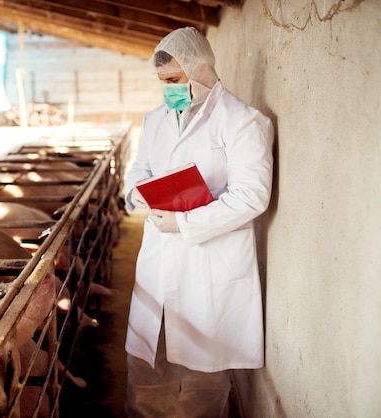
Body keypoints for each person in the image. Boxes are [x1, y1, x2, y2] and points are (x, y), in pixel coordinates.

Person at [123, 27, 274, 418]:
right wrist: (138, 192)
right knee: (147, 367)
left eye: (174, 80)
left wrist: (184, 223)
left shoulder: (242, 122)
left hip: (208, 264)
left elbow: (252, 195)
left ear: (200, 68)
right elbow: (140, 169)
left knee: (202, 383)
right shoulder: (155, 120)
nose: (168, 91)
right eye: (163, 83)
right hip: (159, 258)